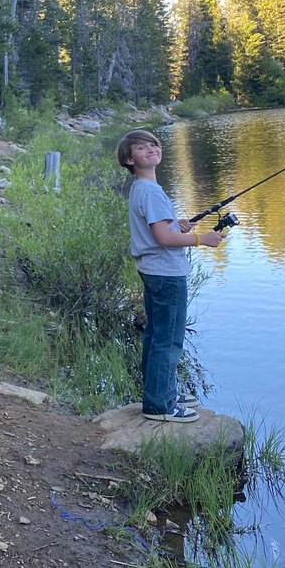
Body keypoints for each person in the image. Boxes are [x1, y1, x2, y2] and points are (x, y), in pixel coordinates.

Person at [117, 129, 223, 423]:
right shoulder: (151, 191)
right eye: (141, 147)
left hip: (152, 271)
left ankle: (160, 392)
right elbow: (162, 238)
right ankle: (160, 406)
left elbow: (159, 228)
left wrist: (176, 224)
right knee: (168, 338)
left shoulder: (140, 188)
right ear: (129, 159)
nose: (151, 148)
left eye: (153, 144)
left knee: (155, 335)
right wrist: (202, 239)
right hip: (166, 272)